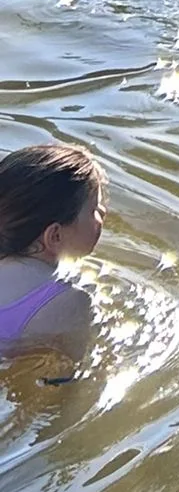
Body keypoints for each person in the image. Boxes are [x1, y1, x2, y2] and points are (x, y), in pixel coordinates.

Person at [0, 143, 106, 366]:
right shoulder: (71, 302)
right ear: (55, 236)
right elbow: (66, 382)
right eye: (94, 209)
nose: (103, 213)